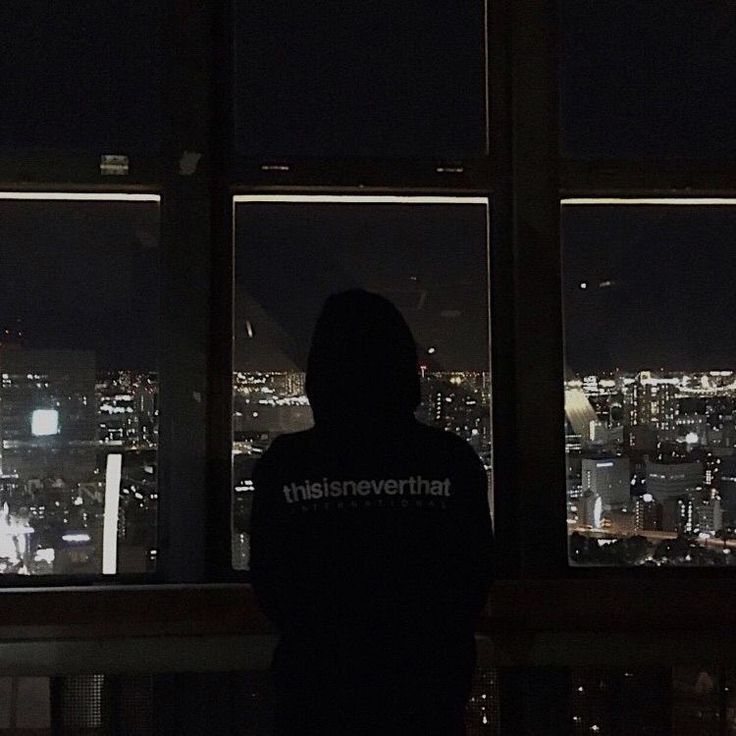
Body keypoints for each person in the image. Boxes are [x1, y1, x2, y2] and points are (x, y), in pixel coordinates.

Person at [250, 289, 494, 735]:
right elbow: (473, 578)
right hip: (425, 699)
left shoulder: (286, 466)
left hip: (315, 699)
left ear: (318, 373)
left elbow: (270, 585)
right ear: (404, 369)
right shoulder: (450, 462)